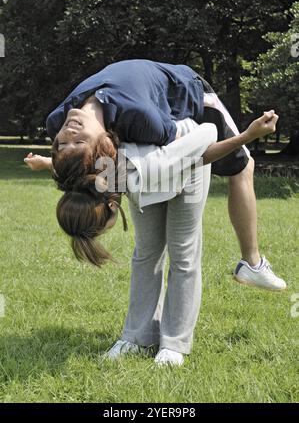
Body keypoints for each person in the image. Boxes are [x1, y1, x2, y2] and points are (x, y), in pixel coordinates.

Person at [25, 111, 283, 366]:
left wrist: (248, 136)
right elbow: (76, 167)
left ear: (112, 208)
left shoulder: (137, 171)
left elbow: (208, 134)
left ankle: (174, 344)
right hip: (149, 173)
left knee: (183, 253)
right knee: (146, 253)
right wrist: (46, 163)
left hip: (189, 163)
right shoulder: (106, 176)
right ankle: (137, 338)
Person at [25, 59, 286, 290]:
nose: (68, 136)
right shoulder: (143, 121)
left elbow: (85, 167)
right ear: (103, 146)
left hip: (184, 89)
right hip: (179, 103)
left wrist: (49, 162)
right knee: (244, 166)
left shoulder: (57, 121)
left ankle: (250, 264)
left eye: (60, 145)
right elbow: (195, 151)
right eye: (77, 144)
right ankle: (252, 265)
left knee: (240, 166)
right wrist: (248, 136)